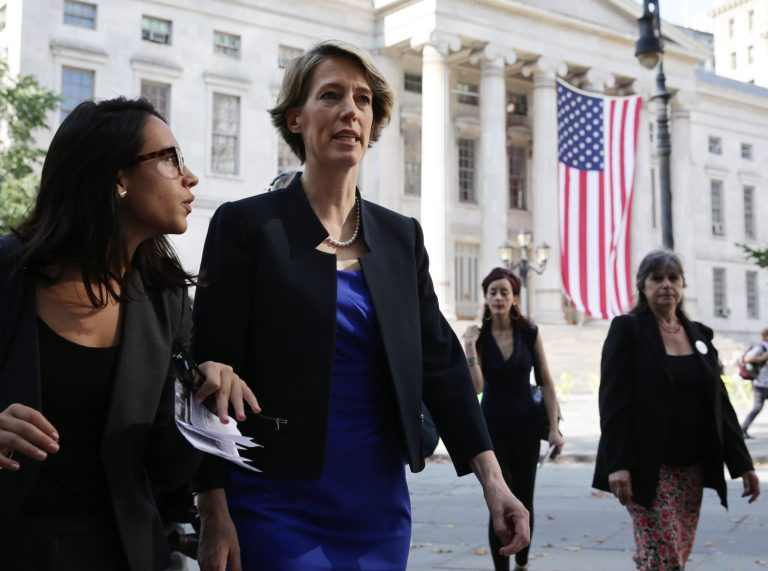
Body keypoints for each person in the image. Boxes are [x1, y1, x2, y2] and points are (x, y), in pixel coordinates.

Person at [191, 40, 530, 571]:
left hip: (376, 502)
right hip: (272, 497)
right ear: (296, 119)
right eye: (331, 95)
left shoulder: (399, 236)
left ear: (374, 124)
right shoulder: (246, 226)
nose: (351, 110)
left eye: (364, 99)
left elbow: (440, 363)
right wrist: (212, 509)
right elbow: (208, 374)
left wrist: (495, 483)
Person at [0, 97, 257, 571]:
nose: (190, 176)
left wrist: (204, 403)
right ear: (117, 179)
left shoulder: (166, 300)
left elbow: (167, 470)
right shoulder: (7, 273)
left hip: (125, 552)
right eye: (170, 158)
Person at [593, 249, 760, 571]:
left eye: (673, 278)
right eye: (657, 278)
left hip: (692, 468)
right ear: (643, 286)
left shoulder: (699, 335)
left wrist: (743, 464)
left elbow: (719, 404)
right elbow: (612, 403)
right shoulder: (628, 330)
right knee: (666, 556)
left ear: (683, 285)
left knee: (671, 554)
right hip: (647, 466)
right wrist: (618, 464)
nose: (666, 285)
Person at [463, 267, 564, 571]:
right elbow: (477, 386)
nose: (498, 297)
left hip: (527, 426)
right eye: (492, 292)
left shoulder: (529, 332)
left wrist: (555, 427)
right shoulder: (479, 337)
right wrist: (468, 347)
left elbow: (546, 381)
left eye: (504, 292)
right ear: (486, 298)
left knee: (525, 497)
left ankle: (522, 562)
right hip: (491, 429)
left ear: (515, 298)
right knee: (500, 500)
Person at [741, 328, 768, 438]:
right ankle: (742, 429)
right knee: (757, 408)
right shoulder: (761, 346)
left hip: (765, 382)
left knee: (757, 408)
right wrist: (763, 357)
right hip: (761, 382)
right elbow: (747, 358)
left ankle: (742, 429)